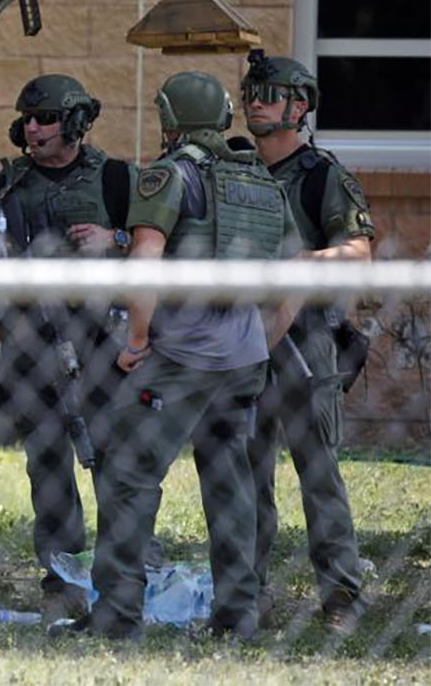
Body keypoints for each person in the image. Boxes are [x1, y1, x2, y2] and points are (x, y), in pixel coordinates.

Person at [78, 71, 301, 641]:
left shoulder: (168, 174)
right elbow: (290, 278)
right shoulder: (257, 179)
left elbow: (145, 261)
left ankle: (117, 618)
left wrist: (137, 340)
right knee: (230, 485)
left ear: (170, 119)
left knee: (129, 475)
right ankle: (237, 619)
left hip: (179, 359)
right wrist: (261, 344)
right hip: (242, 360)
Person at [0, 74, 134, 622]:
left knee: (114, 457)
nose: (32, 129)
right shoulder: (4, 188)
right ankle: (63, 578)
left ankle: (123, 570)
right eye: (28, 120)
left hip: (100, 341)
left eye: (45, 119)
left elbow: (160, 243)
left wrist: (117, 241)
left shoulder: (115, 180)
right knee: (47, 461)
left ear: (76, 123)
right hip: (27, 341)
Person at [241, 51, 373, 634]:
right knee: (245, 475)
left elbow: (358, 253)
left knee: (317, 474)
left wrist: (302, 261)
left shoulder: (323, 175)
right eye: (250, 93)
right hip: (242, 340)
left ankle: (342, 595)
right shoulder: (238, 170)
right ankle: (249, 592)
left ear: (299, 106)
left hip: (306, 343)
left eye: (268, 94)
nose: (254, 103)